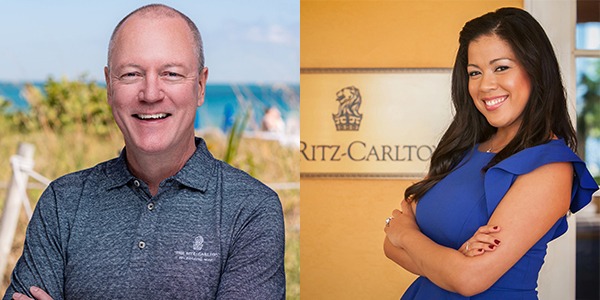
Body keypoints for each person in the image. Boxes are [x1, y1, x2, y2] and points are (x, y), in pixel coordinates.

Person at [3, 4, 285, 300]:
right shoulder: (63, 202)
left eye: (171, 74)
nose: (150, 93)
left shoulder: (251, 209)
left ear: (200, 86)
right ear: (110, 86)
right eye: (131, 74)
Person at [383, 7, 598, 299]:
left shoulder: (550, 166)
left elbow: (468, 279)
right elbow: (389, 248)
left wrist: (406, 234)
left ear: (534, 69)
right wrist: (449, 260)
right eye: (475, 72)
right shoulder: (460, 149)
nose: (485, 85)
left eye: (501, 67)